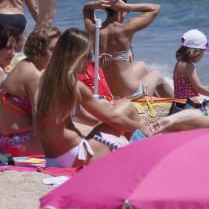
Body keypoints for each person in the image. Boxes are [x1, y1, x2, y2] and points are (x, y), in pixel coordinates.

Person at [34, 28, 144, 168]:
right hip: (75, 156)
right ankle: (140, 150)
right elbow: (114, 120)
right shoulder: (74, 86)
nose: (91, 60)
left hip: (53, 158)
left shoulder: (44, 78)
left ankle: (132, 151)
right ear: (77, 56)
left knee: (122, 110)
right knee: (126, 110)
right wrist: (141, 126)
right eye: (89, 55)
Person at [82, 0, 172, 99]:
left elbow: (86, 8)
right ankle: (180, 105)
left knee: (142, 66)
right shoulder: (126, 28)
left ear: (105, 9)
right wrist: (127, 6)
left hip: (109, 92)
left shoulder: (94, 29)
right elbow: (155, 8)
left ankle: (154, 99)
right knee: (156, 75)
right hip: (130, 94)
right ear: (123, 9)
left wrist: (99, 3)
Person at [0, 25, 60, 157]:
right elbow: (41, 120)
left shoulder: (24, 65)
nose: (58, 54)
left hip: (8, 142)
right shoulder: (33, 75)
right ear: (39, 50)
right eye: (53, 50)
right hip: (20, 144)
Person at [170, 29, 209, 113]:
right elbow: (199, 89)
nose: (202, 56)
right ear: (195, 52)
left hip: (178, 106)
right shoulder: (189, 67)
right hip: (188, 107)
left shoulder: (180, 63)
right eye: (203, 52)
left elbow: (194, 86)